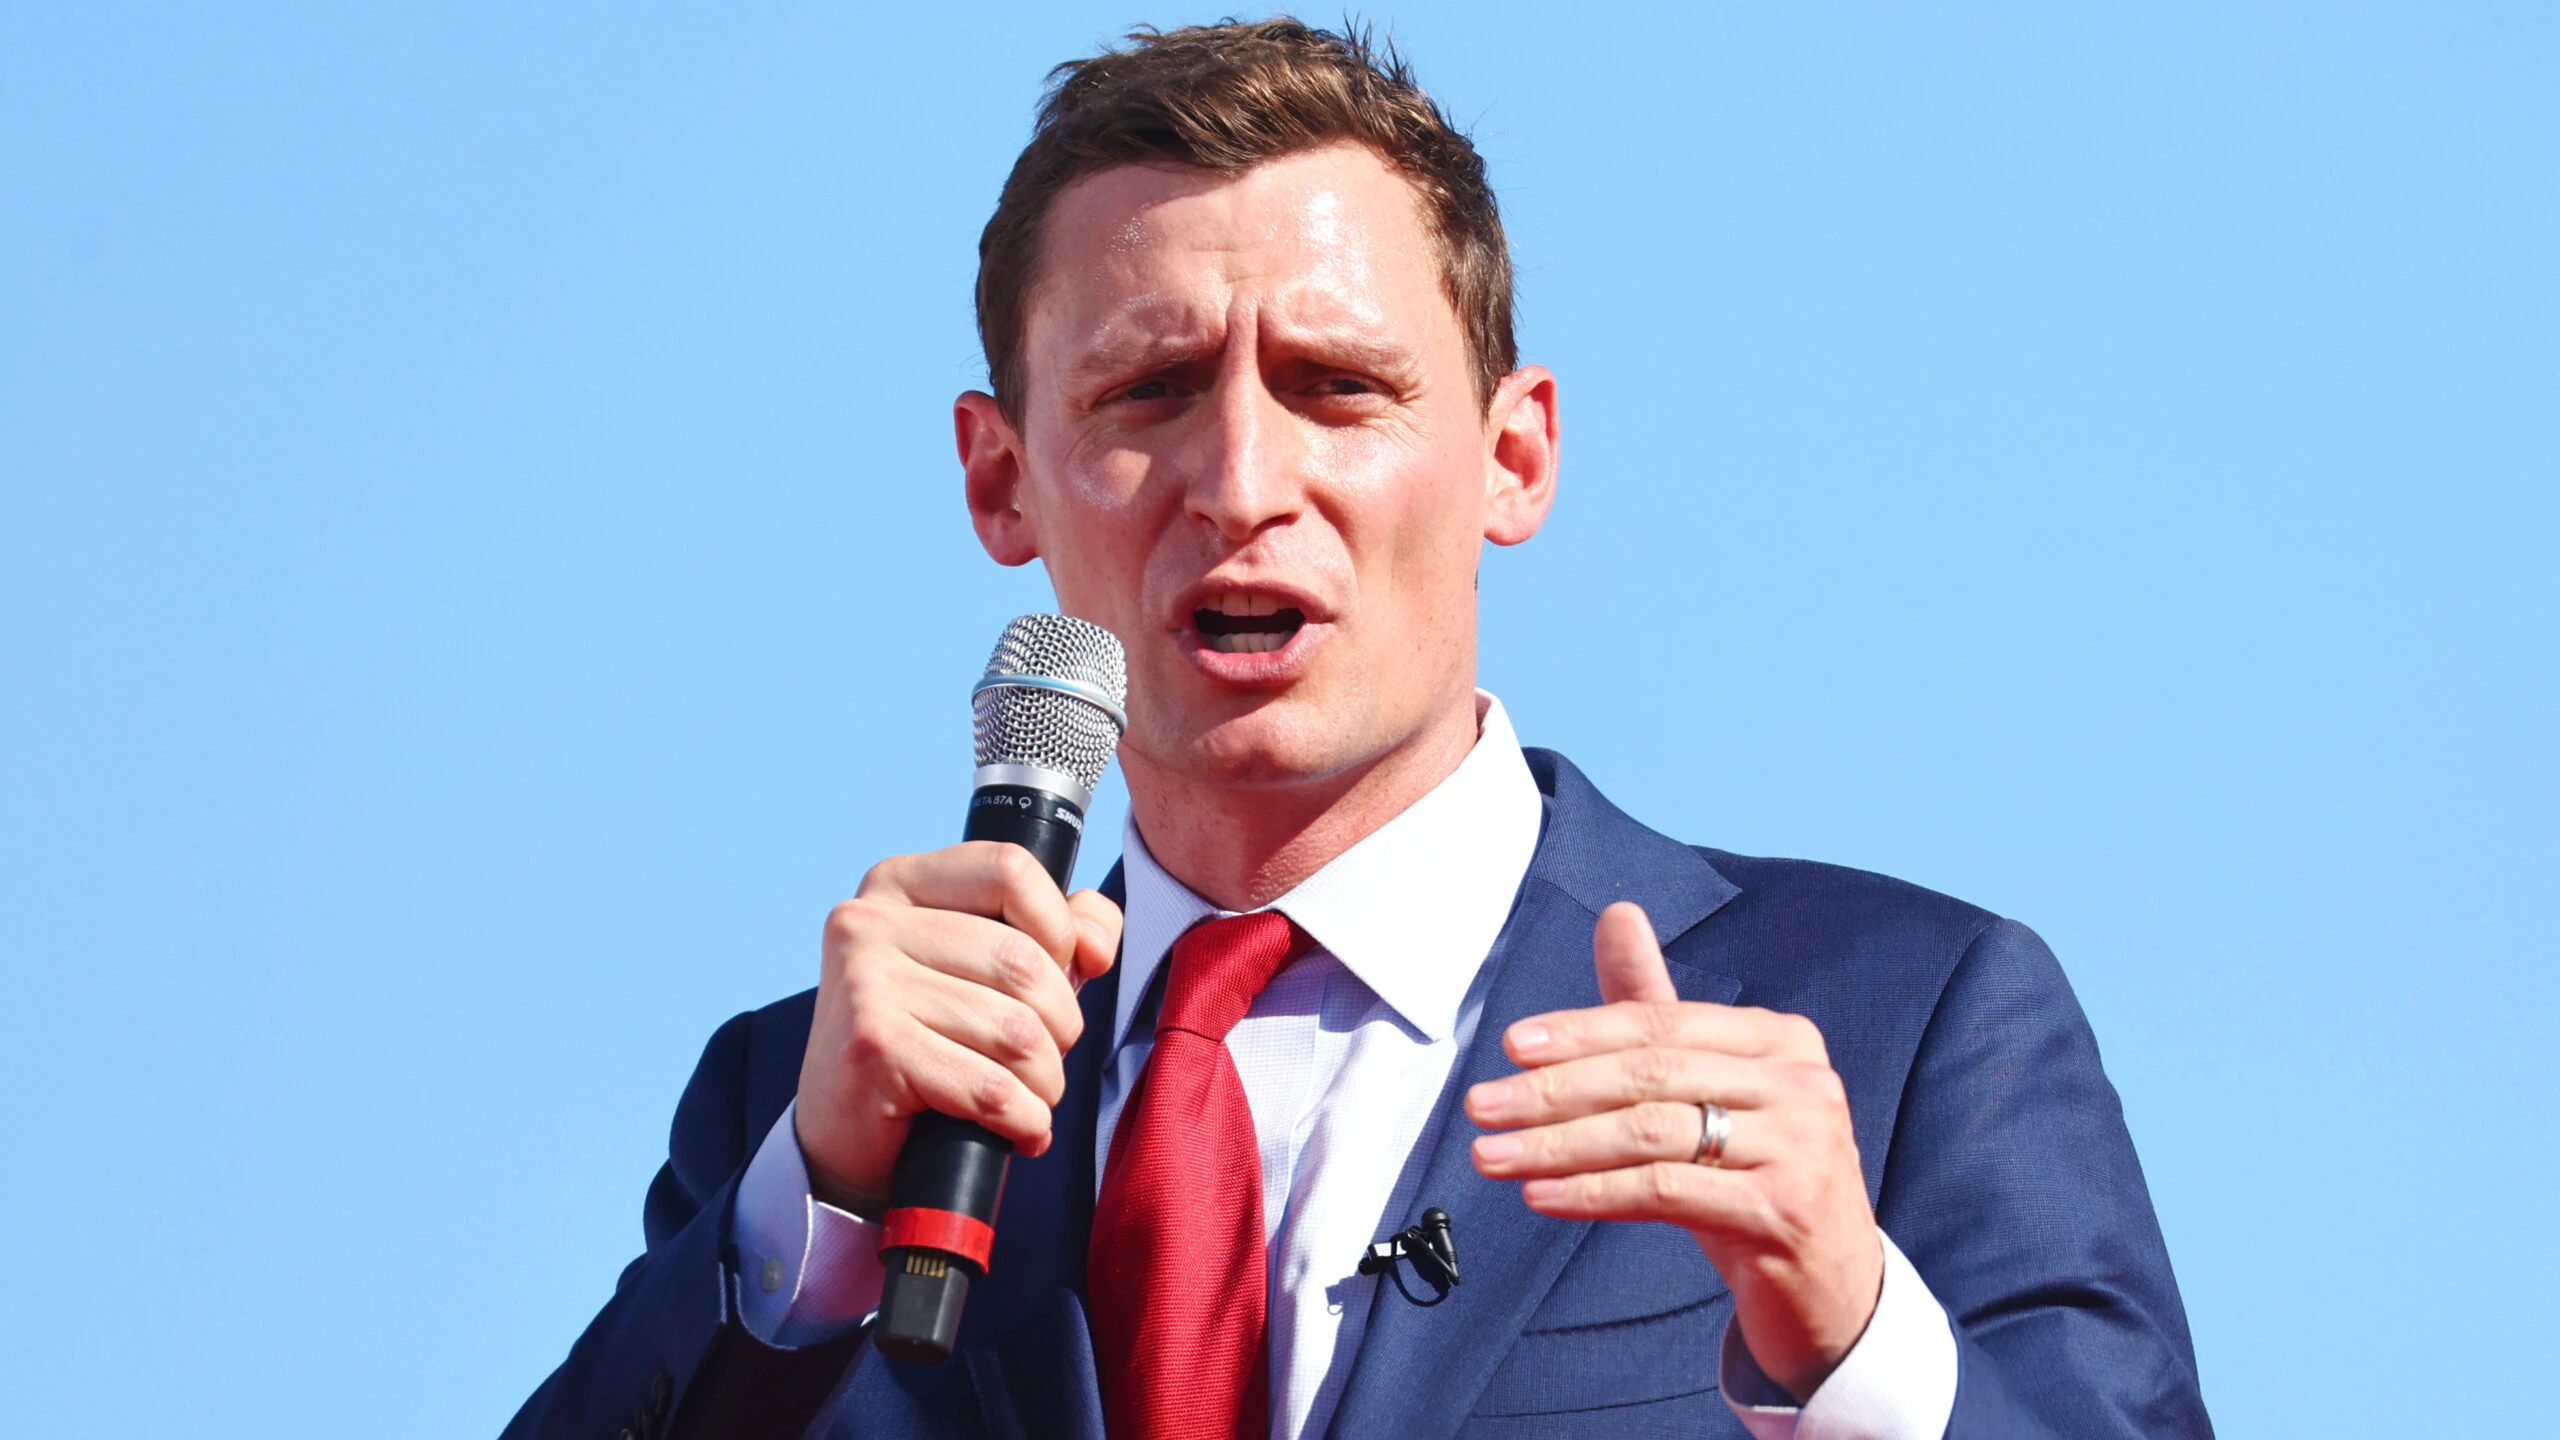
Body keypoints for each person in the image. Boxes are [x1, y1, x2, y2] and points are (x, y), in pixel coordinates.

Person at [503, 21, 2212, 1440]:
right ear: (998, 477)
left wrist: (1852, 1341)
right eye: (1146, 392)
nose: (1244, 486)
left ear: (1514, 457)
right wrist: (810, 1211)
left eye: (1339, 386)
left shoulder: (1900, 1026)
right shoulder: (804, 1110)